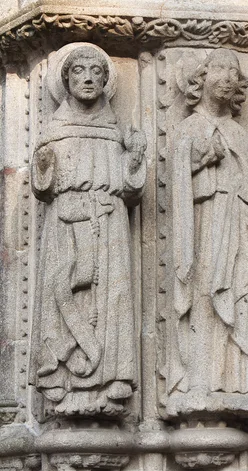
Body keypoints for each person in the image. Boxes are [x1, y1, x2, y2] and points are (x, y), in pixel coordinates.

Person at [29, 44, 146, 416]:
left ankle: (114, 375)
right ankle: (59, 370)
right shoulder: (55, 129)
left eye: (96, 71)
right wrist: (45, 165)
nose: (89, 78)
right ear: (66, 80)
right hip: (66, 220)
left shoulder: (115, 131)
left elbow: (130, 190)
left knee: (112, 298)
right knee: (61, 293)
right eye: (79, 71)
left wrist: (134, 159)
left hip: (109, 222)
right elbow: (43, 187)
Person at [166, 49, 248, 416]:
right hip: (206, 230)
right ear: (200, 77)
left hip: (241, 230)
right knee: (207, 299)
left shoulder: (238, 133)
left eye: (234, 70)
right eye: (219, 69)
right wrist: (198, 163)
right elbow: (176, 188)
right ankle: (202, 381)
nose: (227, 77)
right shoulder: (190, 128)